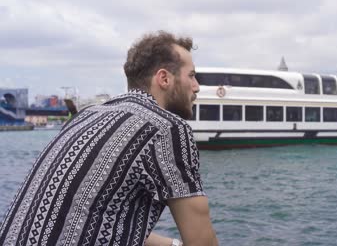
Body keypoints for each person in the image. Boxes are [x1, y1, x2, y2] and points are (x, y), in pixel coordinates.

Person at [0, 31, 218, 246]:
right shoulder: (165, 128)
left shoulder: (85, 116)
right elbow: (201, 241)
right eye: (191, 75)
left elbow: (82, 219)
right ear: (164, 78)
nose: (197, 86)